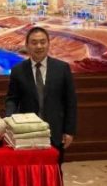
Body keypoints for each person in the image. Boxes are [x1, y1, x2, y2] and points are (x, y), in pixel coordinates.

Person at [5, 26, 77, 168]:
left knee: (54, 171)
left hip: (55, 132)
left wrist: (69, 131)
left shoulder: (62, 68)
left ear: (48, 44)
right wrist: (8, 123)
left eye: (43, 42)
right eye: (34, 42)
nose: (39, 46)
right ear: (27, 45)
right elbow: (12, 99)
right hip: (27, 133)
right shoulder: (18, 70)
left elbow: (70, 101)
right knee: (30, 172)